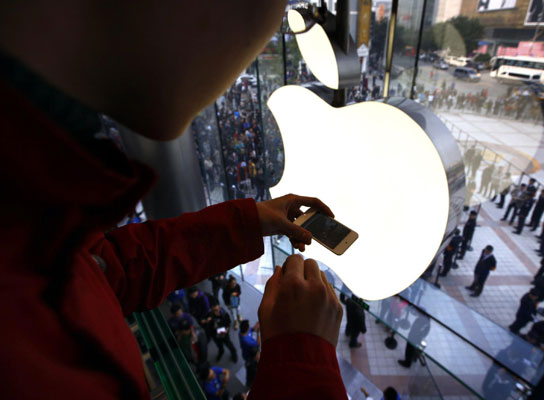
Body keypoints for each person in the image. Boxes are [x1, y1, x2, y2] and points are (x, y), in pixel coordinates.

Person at [0, 2, 348, 398]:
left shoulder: (33, 218)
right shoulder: (20, 350)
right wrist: (301, 363)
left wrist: (247, 221)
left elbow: (106, 267)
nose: (268, 25)